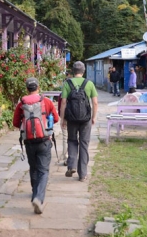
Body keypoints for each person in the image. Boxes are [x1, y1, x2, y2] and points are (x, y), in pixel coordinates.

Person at [13, 77, 59, 214]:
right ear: (38, 87)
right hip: (44, 140)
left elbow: (15, 122)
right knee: (43, 170)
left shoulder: (21, 103)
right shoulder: (46, 101)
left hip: (29, 142)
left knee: (33, 168)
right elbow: (56, 118)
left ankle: (35, 194)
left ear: (27, 89)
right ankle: (38, 198)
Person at [60, 61, 98, 182]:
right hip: (85, 118)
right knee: (84, 143)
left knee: (72, 140)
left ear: (72, 71)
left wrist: (63, 119)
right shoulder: (89, 84)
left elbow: (64, 102)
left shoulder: (67, 83)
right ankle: (83, 175)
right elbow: (95, 102)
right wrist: (94, 117)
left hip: (71, 118)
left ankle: (71, 166)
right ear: (83, 71)